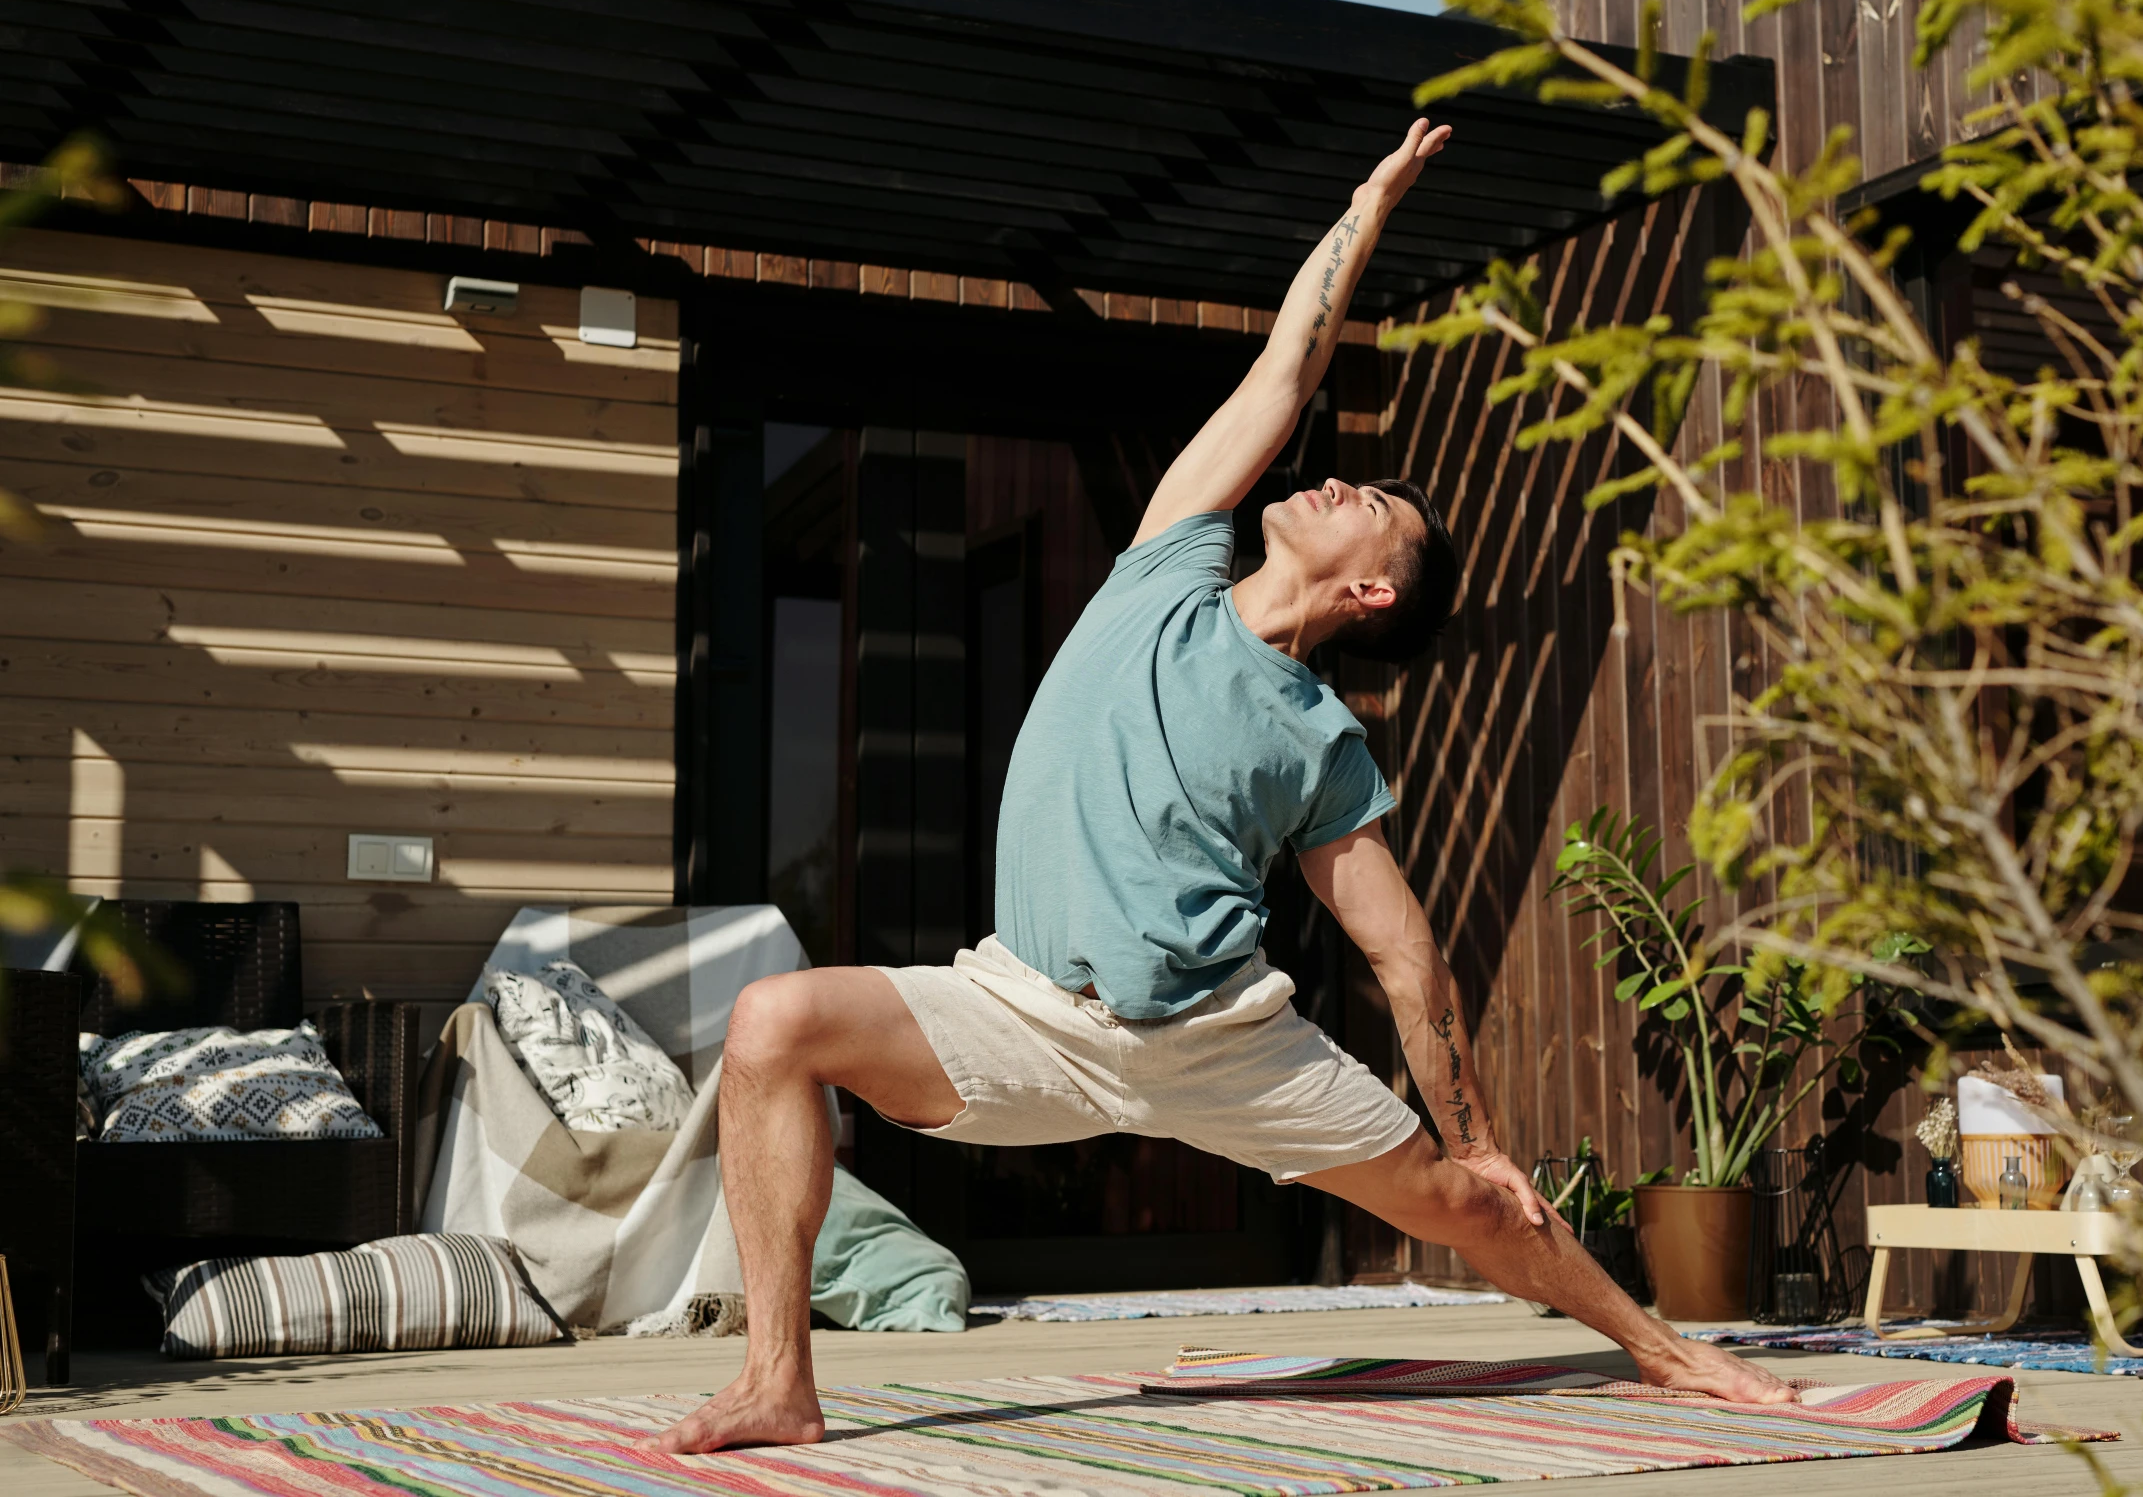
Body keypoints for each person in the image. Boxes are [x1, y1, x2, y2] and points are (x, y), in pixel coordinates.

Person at [653, 119, 1791, 1455]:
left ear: (1373, 589)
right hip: (1024, 1009)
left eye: (1364, 498)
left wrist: (1473, 1132)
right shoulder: (1163, 568)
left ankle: (1661, 1349)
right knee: (773, 1019)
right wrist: (1367, 204)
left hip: (1219, 1042)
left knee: (1472, 1206)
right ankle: (779, 1378)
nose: (1326, 480)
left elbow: (1400, 947)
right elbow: (1287, 367)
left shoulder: (1319, 736)